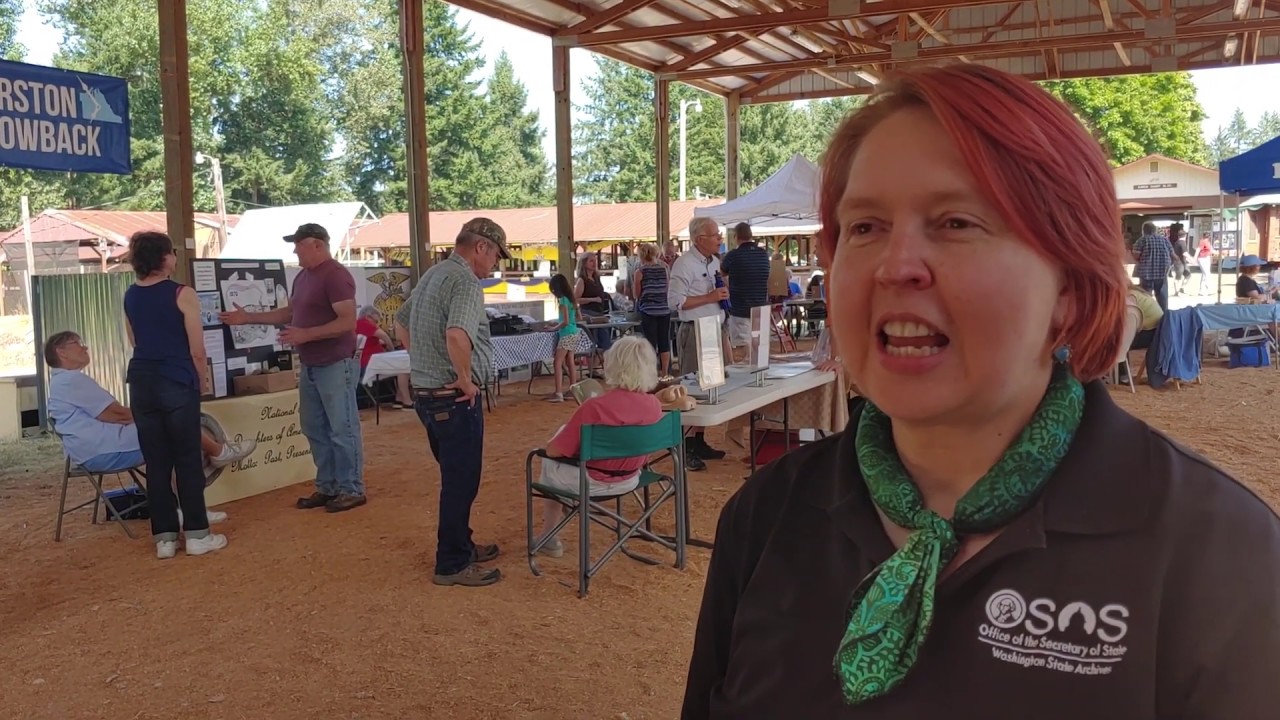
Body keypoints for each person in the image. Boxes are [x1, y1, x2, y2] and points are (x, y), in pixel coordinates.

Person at [682, 64, 1280, 719]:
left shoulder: (1217, 555)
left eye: (957, 222)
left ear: (1069, 288)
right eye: (865, 227)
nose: (895, 265)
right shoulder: (766, 518)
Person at [396, 218, 511, 588]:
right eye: (495, 255)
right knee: (461, 482)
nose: (495, 263)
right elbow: (457, 334)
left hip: (429, 395)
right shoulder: (465, 282)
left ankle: (462, 543)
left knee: (455, 477)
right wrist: (465, 379)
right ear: (480, 247)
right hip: (454, 398)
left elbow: (401, 323)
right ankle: (452, 562)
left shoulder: (434, 273)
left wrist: (423, 360)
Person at [220, 223, 365, 514]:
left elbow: (347, 321)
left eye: (299, 244)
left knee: (341, 427)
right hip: (313, 363)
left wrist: (305, 335)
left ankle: (351, 487)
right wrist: (247, 317)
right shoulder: (303, 277)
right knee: (314, 426)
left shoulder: (336, 275)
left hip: (335, 362)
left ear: (318, 245)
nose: (295, 249)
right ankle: (329, 485)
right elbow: (290, 313)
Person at [45, 330, 255, 523]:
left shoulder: (63, 381)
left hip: (95, 448)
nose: (85, 347)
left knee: (171, 428)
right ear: (61, 351)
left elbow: (115, 415)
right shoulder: (70, 380)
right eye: (77, 343)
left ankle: (186, 507)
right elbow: (117, 415)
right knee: (175, 427)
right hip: (103, 449)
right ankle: (213, 466)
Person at [122, 231, 226, 559]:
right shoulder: (183, 293)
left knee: (156, 461)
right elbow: (197, 348)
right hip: (176, 379)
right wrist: (201, 380)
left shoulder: (130, 295)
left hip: (141, 379)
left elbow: (134, 341)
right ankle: (197, 533)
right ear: (165, 258)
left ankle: (164, 538)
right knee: (186, 458)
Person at [534, 336, 664, 558]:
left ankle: (549, 534)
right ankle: (561, 511)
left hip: (591, 481)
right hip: (631, 478)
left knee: (549, 460)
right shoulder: (654, 405)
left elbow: (554, 451)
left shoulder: (595, 407)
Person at [668, 216, 730, 466]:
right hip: (694, 331)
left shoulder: (714, 262)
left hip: (713, 328)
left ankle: (698, 440)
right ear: (699, 239)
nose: (719, 239)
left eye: (719, 234)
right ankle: (684, 447)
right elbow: (675, 301)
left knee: (710, 387)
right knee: (692, 387)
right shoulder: (684, 265)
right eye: (715, 235)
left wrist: (720, 297)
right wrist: (710, 296)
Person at [720, 222, 771, 362]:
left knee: (743, 352)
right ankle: (761, 379)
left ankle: (746, 380)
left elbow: (720, 274)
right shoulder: (763, 254)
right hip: (761, 308)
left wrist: (728, 286)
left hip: (740, 308)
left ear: (736, 236)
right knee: (760, 350)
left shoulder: (733, 256)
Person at [355, 305, 413, 409]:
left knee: (403, 365)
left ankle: (399, 399)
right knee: (404, 366)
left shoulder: (360, 325)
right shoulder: (363, 323)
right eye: (376, 321)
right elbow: (384, 336)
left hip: (371, 362)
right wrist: (392, 349)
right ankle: (406, 401)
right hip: (369, 364)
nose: (377, 324)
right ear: (369, 316)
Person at [632, 243, 672, 376]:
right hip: (664, 309)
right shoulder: (664, 268)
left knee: (650, 343)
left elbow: (637, 294)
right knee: (664, 342)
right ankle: (665, 372)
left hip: (648, 310)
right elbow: (667, 289)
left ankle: (652, 372)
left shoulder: (640, 272)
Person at [545, 273, 579, 404]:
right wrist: (557, 323)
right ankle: (573, 389)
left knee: (557, 362)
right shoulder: (571, 299)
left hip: (566, 333)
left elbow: (564, 321)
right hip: (573, 331)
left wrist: (554, 328)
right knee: (570, 361)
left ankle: (558, 392)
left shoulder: (562, 300)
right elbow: (572, 318)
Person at [574, 252, 614, 353]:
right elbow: (575, 299)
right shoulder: (582, 280)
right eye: (591, 261)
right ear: (584, 263)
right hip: (588, 313)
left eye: (595, 260)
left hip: (600, 312)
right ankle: (592, 365)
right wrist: (592, 299)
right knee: (594, 342)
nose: (594, 263)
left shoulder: (596, 278)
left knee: (605, 342)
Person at [1132, 222, 1173, 311]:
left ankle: (1149, 314)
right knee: (1162, 297)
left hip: (1146, 273)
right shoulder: (1165, 240)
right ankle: (1164, 315)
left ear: (1144, 231)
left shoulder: (1142, 240)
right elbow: (1173, 255)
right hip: (1162, 273)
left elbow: (1136, 255)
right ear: (1155, 230)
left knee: (1146, 296)